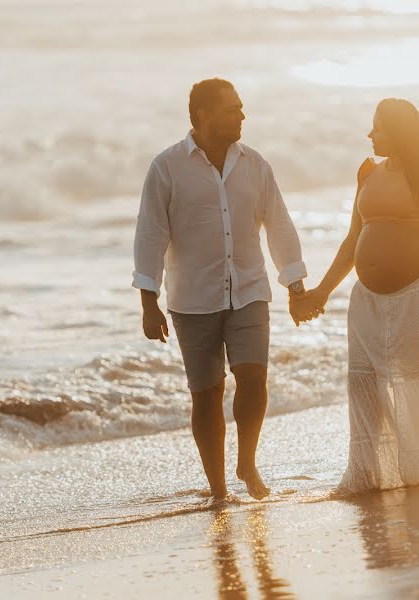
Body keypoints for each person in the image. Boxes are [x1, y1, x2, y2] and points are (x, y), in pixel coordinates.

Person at [132, 78, 313, 500]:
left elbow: (279, 223)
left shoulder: (255, 164)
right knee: (207, 394)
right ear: (204, 115)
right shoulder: (167, 167)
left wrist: (294, 283)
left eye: (242, 107)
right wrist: (148, 301)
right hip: (192, 299)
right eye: (233, 109)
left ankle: (246, 461)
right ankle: (217, 489)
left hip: (249, 290)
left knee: (254, 378)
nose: (242, 115)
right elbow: (150, 234)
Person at [293, 98, 419, 491]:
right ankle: (366, 476)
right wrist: (322, 291)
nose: (370, 135)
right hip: (367, 303)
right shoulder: (367, 173)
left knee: (412, 384)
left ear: (400, 131)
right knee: (365, 386)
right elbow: (353, 240)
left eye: (379, 127)